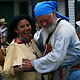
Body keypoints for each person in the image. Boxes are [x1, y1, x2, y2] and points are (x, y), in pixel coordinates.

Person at [21, 1, 80, 80]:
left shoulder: (64, 28)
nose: (44, 24)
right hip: (57, 67)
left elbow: (57, 57)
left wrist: (33, 64)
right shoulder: (45, 30)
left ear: (53, 14)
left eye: (46, 20)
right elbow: (39, 47)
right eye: (40, 21)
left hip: (73, 68)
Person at [2, 14, 42, 80]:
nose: (26, 28)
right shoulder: (13, 46)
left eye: (28, 25)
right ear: (16, 30)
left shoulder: (33, 42)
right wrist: (22, 68)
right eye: (22, 26)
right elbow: (7, 71)